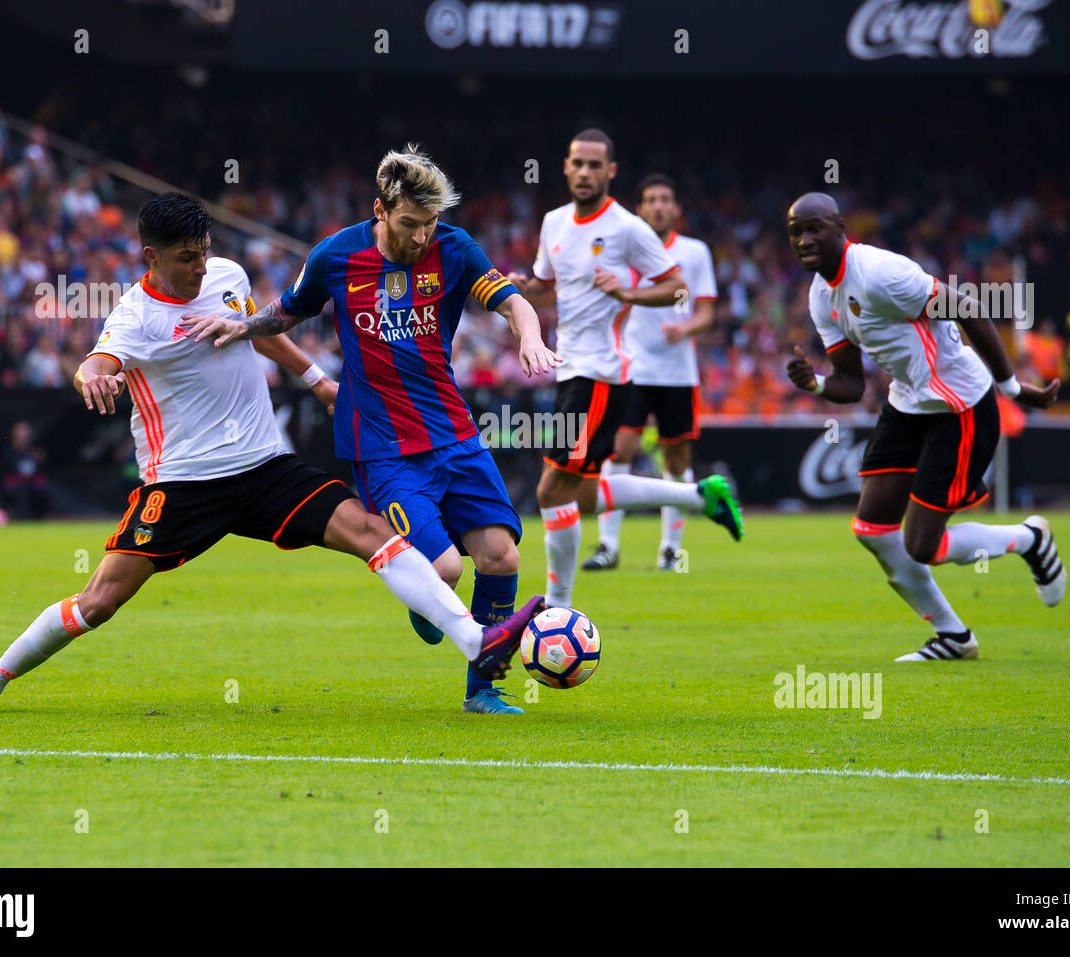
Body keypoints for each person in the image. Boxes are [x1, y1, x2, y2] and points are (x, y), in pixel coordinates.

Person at [0, 192, 541, 714]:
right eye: (185, 258)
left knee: (369, 530)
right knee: (101, 600)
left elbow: (262, 331)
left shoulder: (228, 276)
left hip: (264, 467)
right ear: (153, 257)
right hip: (182, 483)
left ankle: (474, 640)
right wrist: (92, 375)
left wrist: (316, 380)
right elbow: (99, 359)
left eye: (204, 250)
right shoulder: (135, 317)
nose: (201, 267)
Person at [180, 148, 559, 714]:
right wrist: (240, 326)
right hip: (383, 447)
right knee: (445, 569)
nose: (421, 236)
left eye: (429, 223)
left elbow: (512, 303)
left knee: (502, 558)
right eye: (409, 224)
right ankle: (427, 595)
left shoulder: (454, 249)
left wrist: (529, 336)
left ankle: (483, 690)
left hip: (453, 432)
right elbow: (285, 313)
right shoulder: (337, 256)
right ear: (379, 210)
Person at [783, 192, 1064, 662]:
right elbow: (851, 382)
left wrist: (1012, 388)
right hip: (909, 402)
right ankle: (954, 637)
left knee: (920, 545)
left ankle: (1031, 539)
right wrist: (815, 384)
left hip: (960, 405)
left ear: (840, 228)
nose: (805, 239)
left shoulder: (879, 273)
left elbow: (968, 307)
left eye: (815, 228)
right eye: (796, 231)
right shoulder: (820, 296)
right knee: (871, 530)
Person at [507, 130, 742, 609]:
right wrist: (520, 287)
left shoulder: (627, 227)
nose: (587, 172)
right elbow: (547, 285)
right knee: (585, 493)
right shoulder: (553, 223)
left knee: (551, 489)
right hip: (570, 369)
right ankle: (702, 497)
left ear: (611, 171)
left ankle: (557, 609)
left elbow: (676, 288)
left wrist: (627, 293)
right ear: (567, 167)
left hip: (600, 374)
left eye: (597, 165)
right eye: (579, 164)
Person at [586, 173, 717, 571]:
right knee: (619, 451)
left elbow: (707, 312)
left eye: (665, 199)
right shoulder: (626, 251)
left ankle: (670, 551)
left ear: (675, 208)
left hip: (678, 374)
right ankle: (607, 546)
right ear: (640, 209)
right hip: (632, 369)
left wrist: (686, 328)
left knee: (675, 461)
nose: (658, 206)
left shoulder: (694, 252)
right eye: (651, 200)